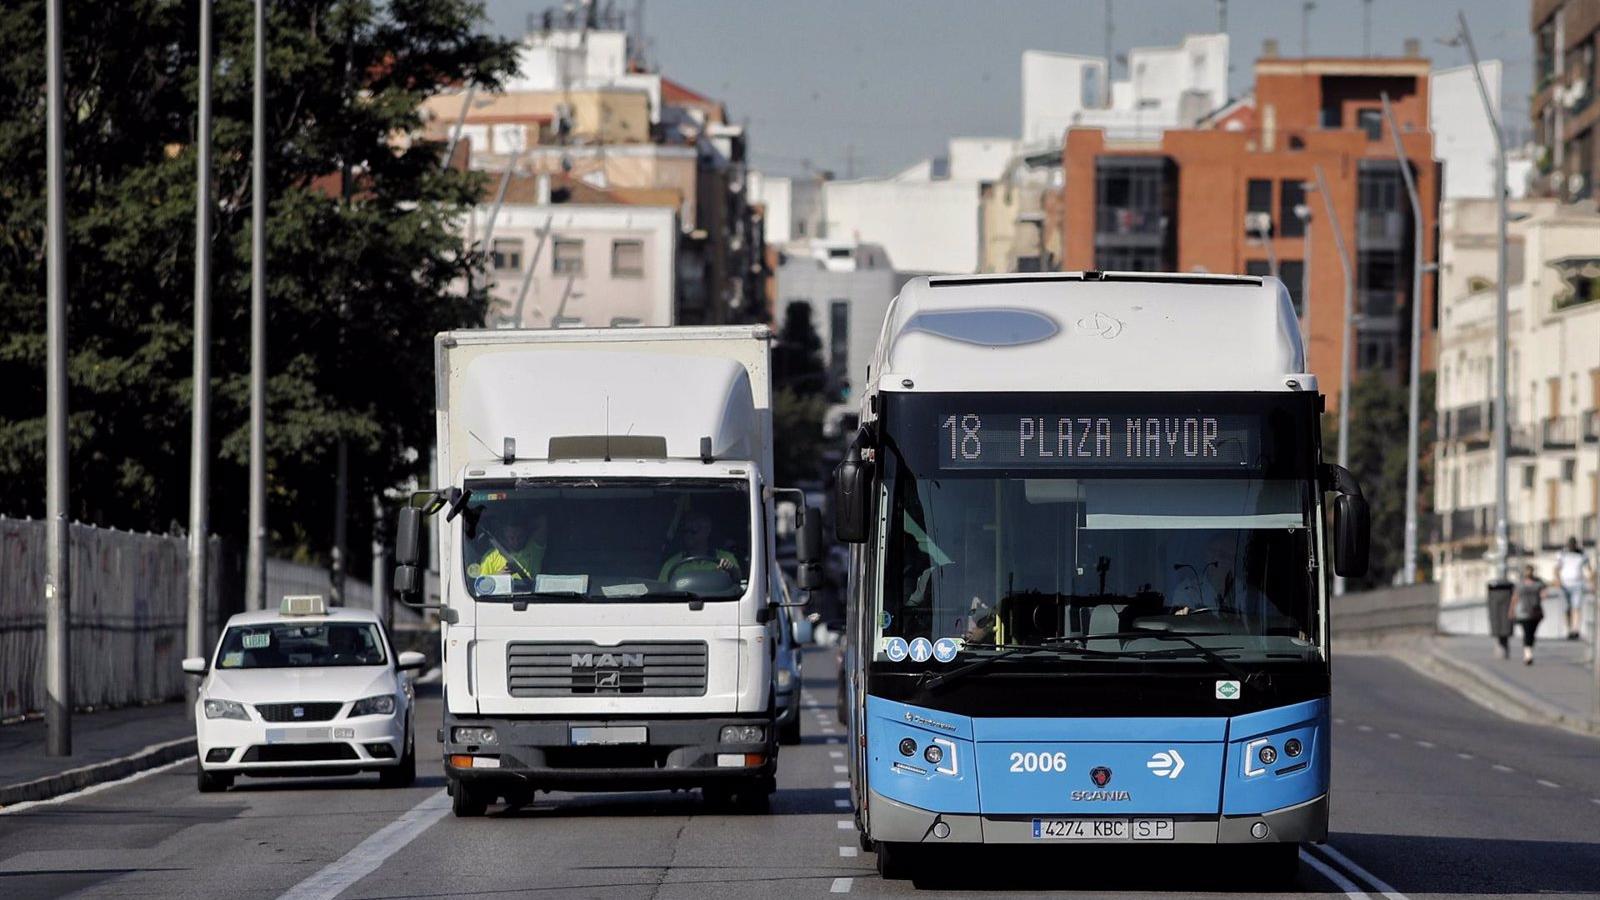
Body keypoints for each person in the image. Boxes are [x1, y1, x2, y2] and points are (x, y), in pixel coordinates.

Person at [658, 511, 741, 583]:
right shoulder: (672, 564)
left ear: (707, 530)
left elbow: (738, 582)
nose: (688, 535)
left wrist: (731, 570)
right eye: (685, 531)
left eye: (693, 530)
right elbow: (661, 591)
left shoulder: (726, 558)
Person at [470, 510, 548, 582]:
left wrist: (526, 525)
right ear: (504, 536)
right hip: (499, 597)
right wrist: (498, 577)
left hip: (533, 596)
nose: (516, 541)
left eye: (520, 537)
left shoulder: (533, 549)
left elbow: (542, 521)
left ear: (526, 535)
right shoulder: (490, 557)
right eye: (511, 537)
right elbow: (481, 586)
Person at [1499, 564, 1546, 665]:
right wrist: (1511, 610)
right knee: (1526, 632)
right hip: (1523, 612)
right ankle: (1527, 654)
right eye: (1526, 571)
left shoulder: (1538, 583)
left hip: (1535, 612)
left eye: (1530, 571)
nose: (1528, 573)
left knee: (1532, 634)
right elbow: (1515, 597)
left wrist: (1542, 595)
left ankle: (1529, 649)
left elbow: (1543, 594)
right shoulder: (1520, 584)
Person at [1554, 537, 1592, 641]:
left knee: (1576, 607)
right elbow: (1557, 568)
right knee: (1566, 608)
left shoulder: (1582, 554)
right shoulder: (1562, 554)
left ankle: (1575, 629)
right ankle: (1569, 629)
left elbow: (1589, 569)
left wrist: (1591, 582)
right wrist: (1557, 580)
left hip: (1578, 584)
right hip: (1564, 584)